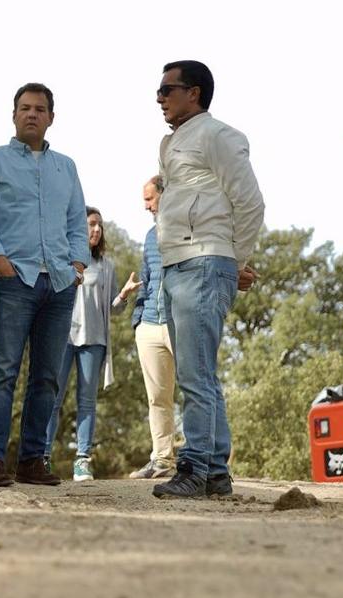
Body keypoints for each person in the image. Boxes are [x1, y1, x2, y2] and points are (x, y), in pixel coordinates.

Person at [151, 60, 264, 499]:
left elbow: (251, 202)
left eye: (166, 90)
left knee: (196, 376)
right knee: (199, 373)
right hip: (178, 262)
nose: (159, 98)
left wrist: (234, 261)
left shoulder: (218, 136)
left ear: (193, 93)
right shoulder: (174, 142)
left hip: (202, 261)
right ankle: (215, 471)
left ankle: (195, 467)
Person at [0, 82, 91, 488]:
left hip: (58, 284)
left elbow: (77, 222)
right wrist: (1, 264)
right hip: (14, 280)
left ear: (51, 117)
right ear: (14, 115)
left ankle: (32, 460)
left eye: (40, 108)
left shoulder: (66, 167)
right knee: (2, 371)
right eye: (25, 108)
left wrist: (75, 266)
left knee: (47, 377)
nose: (32, 114)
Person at [45, 206, 138, 482]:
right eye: (91, 224)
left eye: (99, 225)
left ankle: (82, 460)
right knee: (51, 399)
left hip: (94, 340)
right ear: (77, 227)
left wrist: (123, 295)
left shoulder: (106, 266)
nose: (96, 229)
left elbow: (112, 309)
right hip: (62, 338)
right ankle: (41, 456)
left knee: (86, 402)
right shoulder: (61, 258)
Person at [126, 176, 179, 480]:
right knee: (157, 398)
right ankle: (162, 460)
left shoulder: (187, 228)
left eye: (149, 199)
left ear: (164, 195)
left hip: (179, 325)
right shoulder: (148, 236)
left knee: (199, 391)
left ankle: (208, 462)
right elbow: (146, 277)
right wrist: (139, 319)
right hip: (149, 325)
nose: (146, 206)